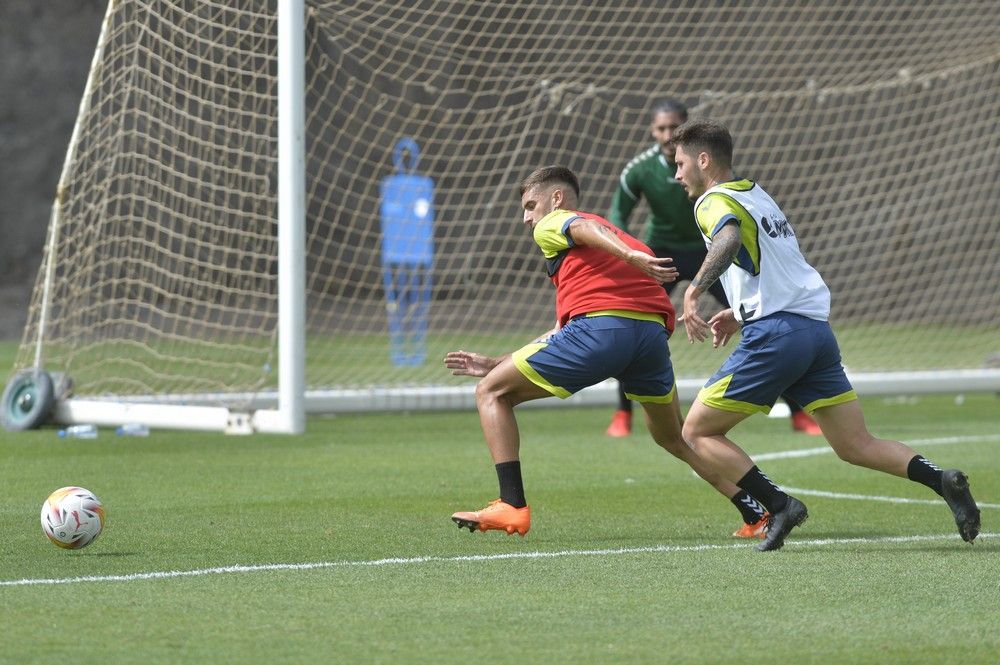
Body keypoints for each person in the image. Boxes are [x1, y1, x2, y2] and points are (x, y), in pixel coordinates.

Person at [672, 119, 981, 550]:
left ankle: (778, 506)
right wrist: (740, 313)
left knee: (695, 433)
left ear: (703, 160)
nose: (678, 173)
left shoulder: (711, 201)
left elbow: (724, 239)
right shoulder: (757, 195)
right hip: (814, 332)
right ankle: (942, 480)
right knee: (856, 444)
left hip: (778, 336)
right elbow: (782, 271)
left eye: (681, 162)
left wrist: (694, 291)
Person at [444, 165, 788, 546]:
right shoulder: (605, 250)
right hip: (649, 341)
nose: (526, 217)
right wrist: (500, 362)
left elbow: (578, 228)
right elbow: (562, 329)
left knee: (491, 393)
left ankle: (511, 503)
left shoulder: (560, 225)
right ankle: (757, 510)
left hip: (604, 332)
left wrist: (629, 255)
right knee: (674, 437)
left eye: (530, 205)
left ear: (556, 199)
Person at [605, 98, 821, 441]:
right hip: (663, 256)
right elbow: (617, 215)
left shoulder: (713, 176)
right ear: (651, 131)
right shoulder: (639, 170)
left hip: (710, 254)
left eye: (672, 128)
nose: (665, 135)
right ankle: (622, 412)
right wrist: (628, 255)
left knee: (761, 313)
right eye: (659, 128)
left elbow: (729, 236)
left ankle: (798, 412)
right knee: (635, 329)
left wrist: (695, 290)